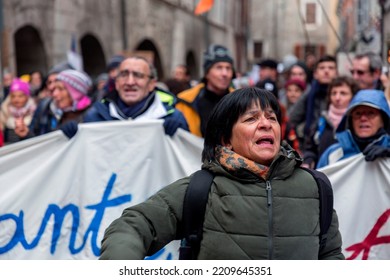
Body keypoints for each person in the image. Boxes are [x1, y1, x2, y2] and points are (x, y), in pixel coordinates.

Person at [99, 87, 344, 260]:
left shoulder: (315, 188)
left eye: (271, 117)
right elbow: (132, 226)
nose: (266, 124)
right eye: (251, 119)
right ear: (226, 139)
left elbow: (331, 255)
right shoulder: (201, 189)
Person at [83, 56, 188, 136]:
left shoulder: (172, 117)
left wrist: (180, 135)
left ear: (151, 84)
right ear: (116, 83)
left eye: (138, 75)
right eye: (124, 75)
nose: (130, 82)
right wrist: (73, 139)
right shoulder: (95, 117)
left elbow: (188, 159)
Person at [317, 89, 390, 168]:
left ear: (384, 120)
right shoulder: (332, 154)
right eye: (358, 113)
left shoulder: (388, 151)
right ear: (350, 120)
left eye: (371, 113)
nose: (363, 118)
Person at [176, 44, 235, 138]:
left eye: (228, 68)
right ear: (207, 73)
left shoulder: (240, 102)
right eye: (219, 67)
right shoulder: (185, 101)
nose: (225, 73)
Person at [302, 76, 359, 168]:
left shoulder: (357, 122)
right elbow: (311, 149)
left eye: (343, 93)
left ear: (353, 96)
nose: (337, 98)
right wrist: (308, 160)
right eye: (334, 93)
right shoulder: (321, 121)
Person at [289, 55, 338, 151]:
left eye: (331, 68)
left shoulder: (342, 93)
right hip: (311, 147)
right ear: (315, 74)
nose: (326, 71)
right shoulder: (310, 93)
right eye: (322, 68)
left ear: (336, 73)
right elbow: (292, 117)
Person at [27, 69, 92, 137]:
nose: (54, 94)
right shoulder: (62, 114)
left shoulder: (92, 116)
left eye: (60, 89)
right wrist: (26, 134)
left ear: (75, 93)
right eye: (55, 89)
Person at [0, 78, 37, 144]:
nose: (16, 99)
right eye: (13, 96)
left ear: (26, 97)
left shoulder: (34, 112)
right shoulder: (5, 112)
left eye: (20, 96)